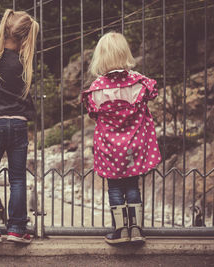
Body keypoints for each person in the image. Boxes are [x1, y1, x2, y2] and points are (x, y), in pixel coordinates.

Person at [82, 32, 161, 244]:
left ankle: (119, 231)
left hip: (108, 147)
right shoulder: (138, 83)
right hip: (133, 146)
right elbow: (153, 92)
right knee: (133, 186)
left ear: (101, 57)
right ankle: (136, 229)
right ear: (125, 53)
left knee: (115, 187)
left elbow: (93, 112)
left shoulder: (96, 89)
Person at [0, 9, 39, 244]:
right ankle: (17, 229)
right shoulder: (23, 63)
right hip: (19, 124)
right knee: (18, 178)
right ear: (24, 37)